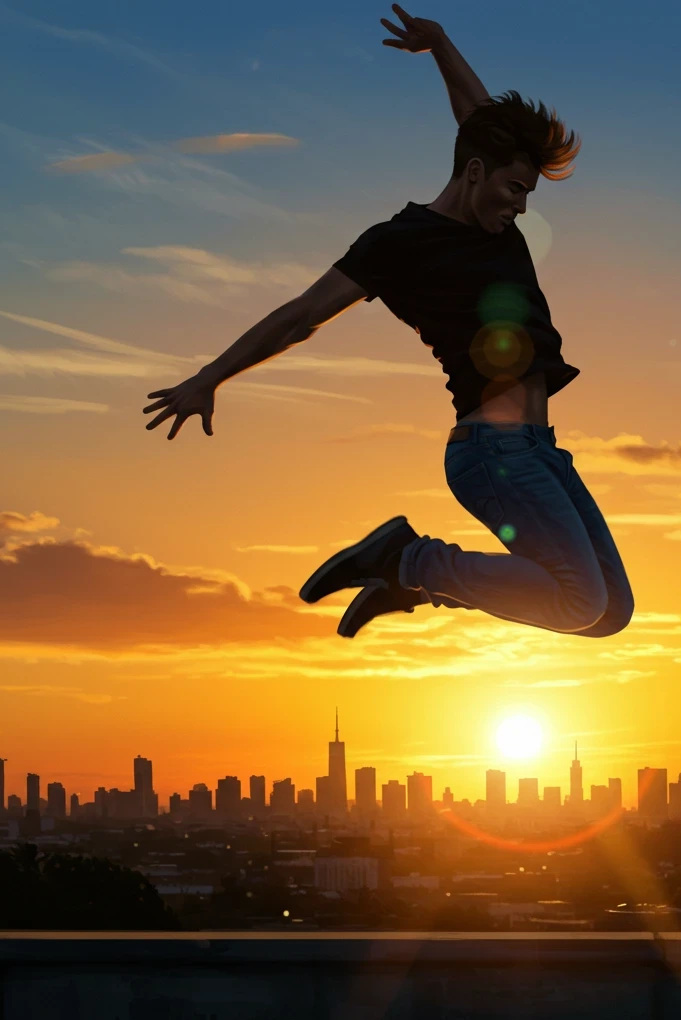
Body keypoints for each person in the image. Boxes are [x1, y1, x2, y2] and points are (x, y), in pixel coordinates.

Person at [143, 4, 634, 640]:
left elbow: (477, 119)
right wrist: (210, 376)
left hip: (543, 451)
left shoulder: (498, 219)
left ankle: (413, 580)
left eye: (527, 196)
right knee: (577, 602)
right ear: (476, 174)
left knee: (608, 613)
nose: (521, 206)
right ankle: (407, 559)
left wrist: (441, 46)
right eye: (515, 189)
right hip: (493, 453)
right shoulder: (400, 243)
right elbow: (302, 315)